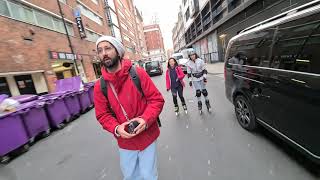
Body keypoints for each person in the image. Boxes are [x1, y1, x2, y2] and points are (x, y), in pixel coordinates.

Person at [93, 36, 164, 180]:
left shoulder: (138, 73)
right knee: (131, 176)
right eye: (100, 50)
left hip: (147, 136)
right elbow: (102, 115)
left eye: (108, 48)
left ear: (118, 52)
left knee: (149, 176)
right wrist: (116, 128)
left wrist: (145, 119)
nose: (104, 53)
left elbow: (156, 100)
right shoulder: (99, 86)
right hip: (125, 142)